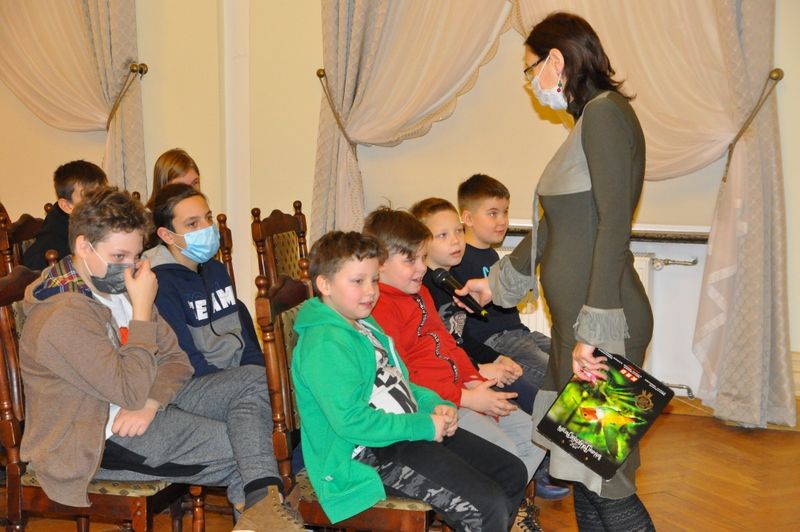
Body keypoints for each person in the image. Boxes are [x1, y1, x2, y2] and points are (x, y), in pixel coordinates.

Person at [459, 12, 655, 531]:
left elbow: (614, 225)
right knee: (580, 472)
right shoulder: (590, 120)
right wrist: (495, 284)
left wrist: (595, 331)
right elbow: (554, 227)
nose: (531, 83)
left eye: (531, 70)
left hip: (602, 328)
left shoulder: (606, 115)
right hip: (579, 328)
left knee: (607, 483)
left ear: (556, 60)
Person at [18, 187, 304, 531]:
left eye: (137, 255)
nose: (131, 267)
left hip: (146, 405)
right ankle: (266, 515)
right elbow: (127, 390)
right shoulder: (62, 315)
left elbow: (177, 361)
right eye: (119, 255)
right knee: (246, 446)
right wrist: (141, 310)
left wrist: (151, 403)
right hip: (95, 436)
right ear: (83, 246)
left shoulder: (119, 286)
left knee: (254, 381)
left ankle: (262, 515)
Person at [292, 230, 528, 531]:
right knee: (485, 507)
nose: (370, 291)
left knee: (511, 472)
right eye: (357, 281)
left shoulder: (363, 323)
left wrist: (434, 404)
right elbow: (351, 422)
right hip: (365, 454)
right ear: (324, 284)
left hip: (404, 430)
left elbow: (399, 382)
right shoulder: (325, 344)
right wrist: (425, 426)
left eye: (374, 279)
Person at [364, 207, 545, 530]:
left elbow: (448, 344)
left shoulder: (420, 292)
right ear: (379, 263)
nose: (422, 268)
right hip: (439, 404)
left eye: (423, 258)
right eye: (411, 260)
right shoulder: (380, 309)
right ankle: (492, 516)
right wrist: (466, 398)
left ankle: (506, 515)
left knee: (533, 438)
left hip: (460, 390)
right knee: (504, 455)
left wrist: (474, 380)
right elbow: (404, 379)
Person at [412, 196, 569, 501]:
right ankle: (543, 471)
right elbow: (442, 348)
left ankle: (560, 464)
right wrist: (483, 367)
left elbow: (460, 338)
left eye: (457, 231)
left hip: (470, 366)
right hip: (456, 378)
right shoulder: (424, 288)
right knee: (533, 397)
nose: (455, 240)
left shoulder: (448, 279)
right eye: (442, 235)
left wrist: (495, 359)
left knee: (537, 388)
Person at [146, 183, 263, 376]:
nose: (208, 227)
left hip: (237, 377)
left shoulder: (216, 270)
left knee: (278, 378)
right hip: (198, 380)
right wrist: (245, 382)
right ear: (167, 235)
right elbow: (187, 362)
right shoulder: (160, 284)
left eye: (208, 218)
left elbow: (245, 343)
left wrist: (260, 370)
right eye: (193, 224)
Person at [22, 160, 107, 270]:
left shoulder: (97, 220)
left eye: (104, 195)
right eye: (90, 197)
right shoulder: (54, 241)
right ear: (67, 206)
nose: (101, 203)